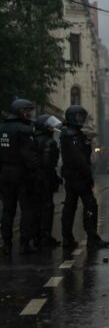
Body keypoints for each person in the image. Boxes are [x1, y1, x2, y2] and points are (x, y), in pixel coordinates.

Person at [60, 105, 109, 250]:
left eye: (82, 117)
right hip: (79, 177)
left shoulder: (70, 134)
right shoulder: (73, 135)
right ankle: (92, 238)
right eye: (78, 117)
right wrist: (88, 174)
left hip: (71, 176)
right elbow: (79, 158)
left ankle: (67, 238)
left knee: (70, 206)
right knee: (90, 205)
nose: (80, 119)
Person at [0, 99, 39, 255]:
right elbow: (29, 155)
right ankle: (24, 243)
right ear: (19, 111)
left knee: (7, 210)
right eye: (26, 110)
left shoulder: (1, 129)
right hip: (22, 175)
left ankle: (7, 244)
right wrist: (36, 169)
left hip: (4, 175)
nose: (28, 113)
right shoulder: (24, 130)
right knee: (26, 209)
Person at [32, 114, 62, 248]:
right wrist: (55, 177)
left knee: (35, 208)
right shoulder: (50, 142)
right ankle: (45, 236)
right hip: (45, 178)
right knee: (47, 207)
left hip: (33, 178)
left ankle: (35, 236)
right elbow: (48, 163)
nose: (52, 128)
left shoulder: (32, 140)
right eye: (50, 126)